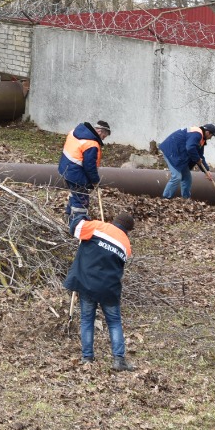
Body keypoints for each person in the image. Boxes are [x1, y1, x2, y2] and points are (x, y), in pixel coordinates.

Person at [64, 209, 136, 371]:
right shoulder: (126, 245)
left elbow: (74, 228)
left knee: (87, 320)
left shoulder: (97, 227)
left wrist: (82, 215)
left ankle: (87, 358)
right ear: (128, 230)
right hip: (109, 289)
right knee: (114, 322)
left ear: (114, 220)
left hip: (87, 283)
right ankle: (119, 360)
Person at [58, 120, 110, 222]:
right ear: (100, 131)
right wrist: (95, 181)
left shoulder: (75, 132)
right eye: (105, 135)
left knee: (74, 195)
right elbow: (90, 167)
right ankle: (78, 224)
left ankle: (68, 219)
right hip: (76, 176)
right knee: (81, 201)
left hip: (65, 169)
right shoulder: (91, 144)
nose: (104, 138)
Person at [159, 123, 215, 199]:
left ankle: (186, 200)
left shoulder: (201, 138)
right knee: (177, 177)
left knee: (187, 179)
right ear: (208, 132)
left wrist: (207, 171)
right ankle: (165, 198)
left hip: (179, 155)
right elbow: (190, 148)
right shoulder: (197, 134)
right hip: (171, 152)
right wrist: (197, 159)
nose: (211, 138)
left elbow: (200, 156)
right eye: (211, 135)